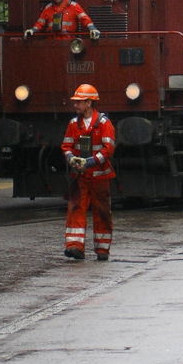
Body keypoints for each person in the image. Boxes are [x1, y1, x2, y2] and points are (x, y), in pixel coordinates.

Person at [61, 84, 116, 261]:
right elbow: (66, 145)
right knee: (76, 207)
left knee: (102, 212)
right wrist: (71, 159)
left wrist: (91, 161)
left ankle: (102, 249)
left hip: (100, 176)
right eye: (75, 102)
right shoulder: (73, 124)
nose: (75, 105)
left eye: (79, 102)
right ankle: (75, 246)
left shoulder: (104, 124)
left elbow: (109, 148)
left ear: (89, 103)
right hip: (80, 176)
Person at [24, 0, 100, 40]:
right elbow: (40, 23)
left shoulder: (74, 6)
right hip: (51, 42)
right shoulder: (48, 8)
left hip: (68, 42)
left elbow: (85, 19)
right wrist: (32, 30)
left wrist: (92, 28)